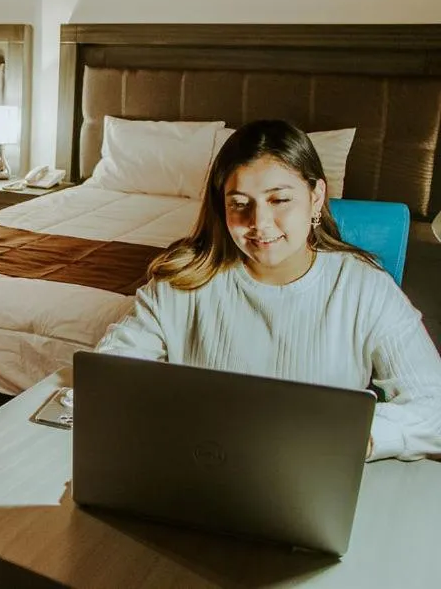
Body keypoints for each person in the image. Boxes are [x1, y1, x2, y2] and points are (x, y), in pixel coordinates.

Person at [96, 120, 441, 462]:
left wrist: (358, 436)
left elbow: (434, 404)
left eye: (279, 200)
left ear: (316, 196)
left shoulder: (364, 289)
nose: (259, 223)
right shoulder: (183, 280)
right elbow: (109, 373)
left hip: (313, 477)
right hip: (201, 468)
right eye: (240, 203)